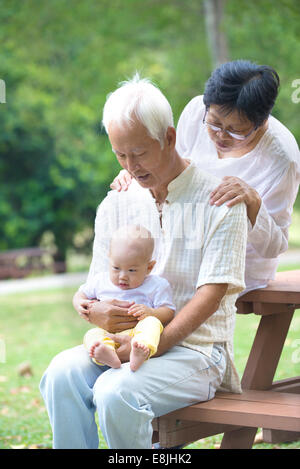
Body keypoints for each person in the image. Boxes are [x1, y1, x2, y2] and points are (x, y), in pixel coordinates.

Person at [40, 74, 248, 449]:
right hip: (121, 343)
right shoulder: (117, 202)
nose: (130, 166)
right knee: (60, 374)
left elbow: (209, 297)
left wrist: (153, 345)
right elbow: (94, 289)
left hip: (197, 352)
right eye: (120, 154)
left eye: (139, 152)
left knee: (116, 391)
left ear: (169, 138)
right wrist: (95, 313)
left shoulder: (219, 201)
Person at [111, 60, 300, 295]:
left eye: (235, 130)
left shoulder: (282, 158)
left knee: (153, 294)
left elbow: (276, 246)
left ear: (262, 122)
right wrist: (136, 170)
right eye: (214, 123)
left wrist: (252, 202)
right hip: (183, 248)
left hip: (239, 267)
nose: (221, 136)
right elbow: (169, 171)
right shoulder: (195, 112)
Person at [73, 224, 175, 371]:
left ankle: (141, 350)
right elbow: (80, 294)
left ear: (149, 267)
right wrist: (80, 303)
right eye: (116, 268)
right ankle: (105, 353)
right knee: (92, 334)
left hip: (137, 333)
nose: (123, 276)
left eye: (132, 270)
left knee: (152, 323)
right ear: (109, 259)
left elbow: (169, 311)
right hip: (109, 333)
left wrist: (151, 313)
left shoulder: (157, 285)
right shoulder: (100, 281)